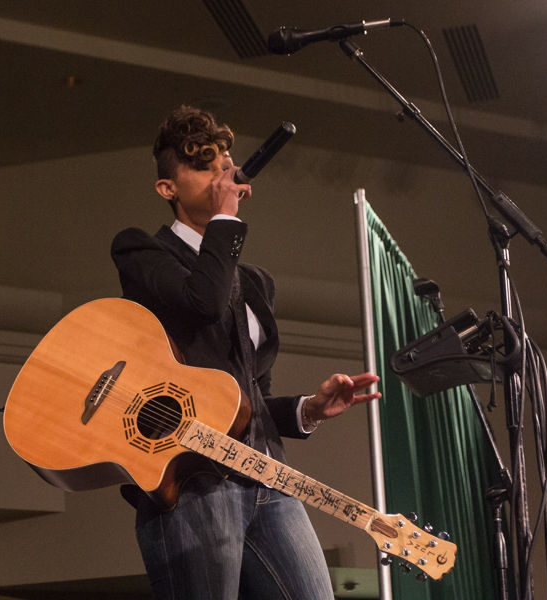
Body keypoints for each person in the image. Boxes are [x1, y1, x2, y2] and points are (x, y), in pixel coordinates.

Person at [111, 105, 380, 599]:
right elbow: (203, 302)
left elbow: (246, 399)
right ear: (167, 189)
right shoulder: (141, 252)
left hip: (266, 475)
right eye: (204, 166)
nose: (222, 174)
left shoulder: (255, 282)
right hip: (194, 482)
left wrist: (308, 409)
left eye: (225, 164)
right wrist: (224, 219)